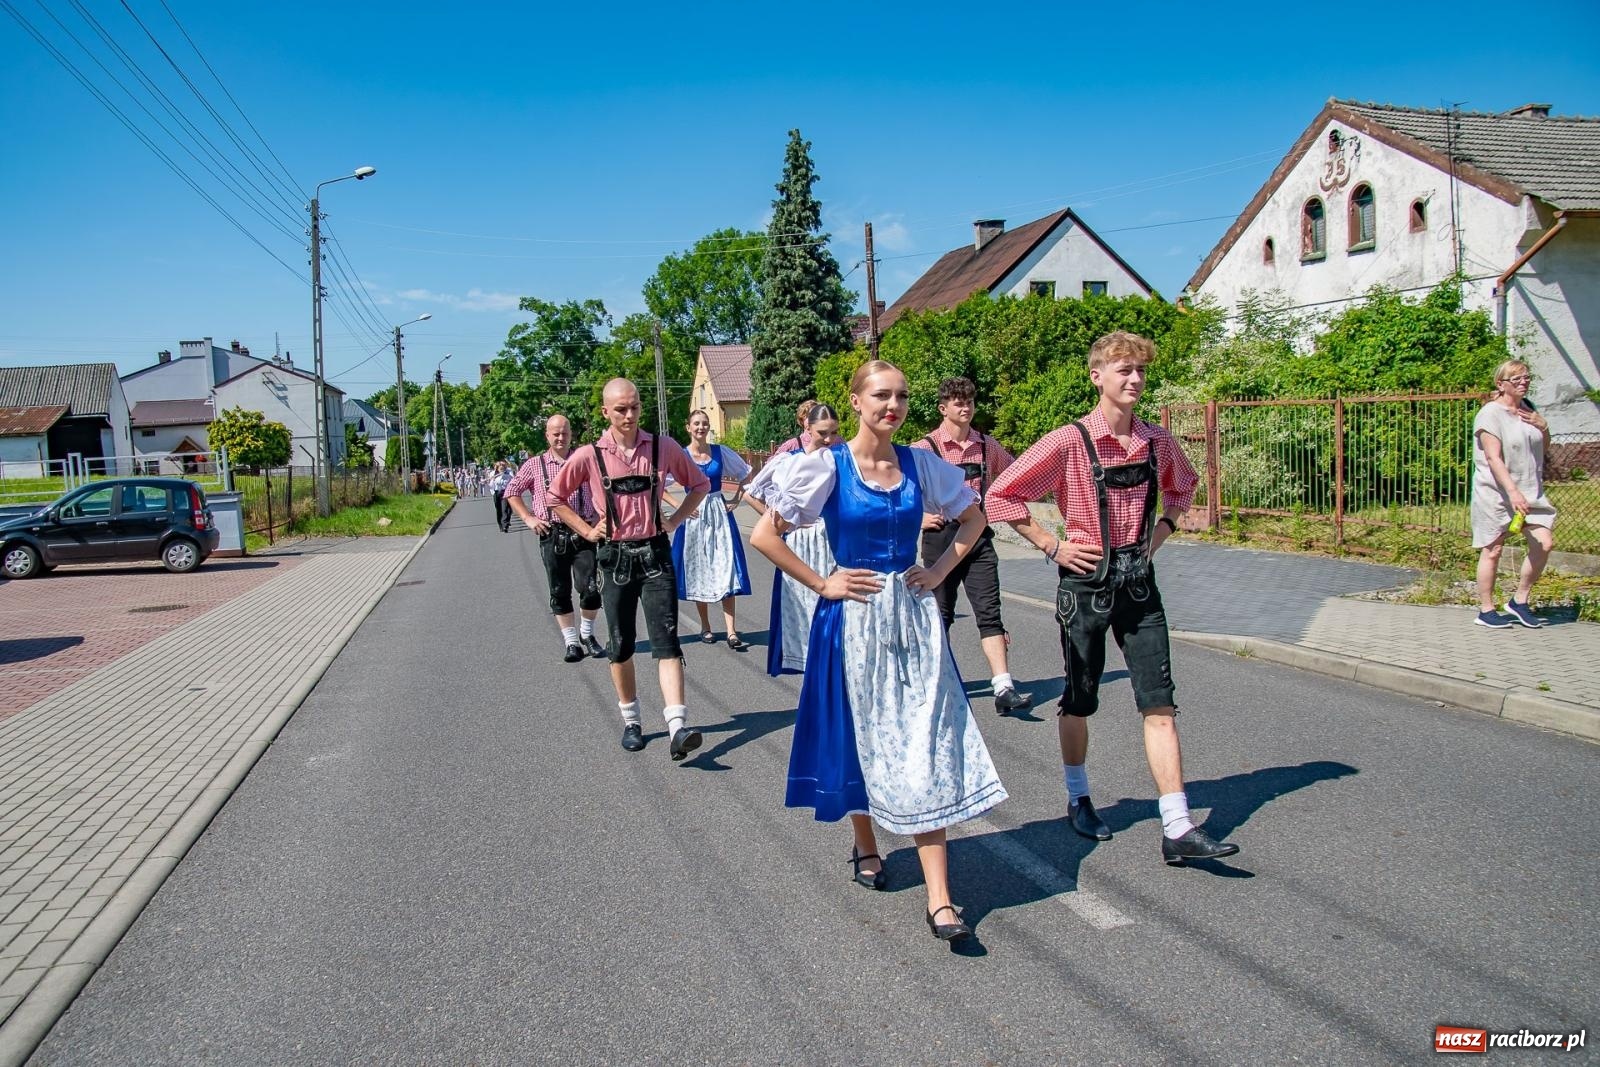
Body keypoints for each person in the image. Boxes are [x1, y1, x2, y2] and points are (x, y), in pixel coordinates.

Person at [750, 360, 1006, 942]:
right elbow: (765, 535)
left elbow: (974, 518)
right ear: (856, 402)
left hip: (913, 619)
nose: (893, 406)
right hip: (853, 617)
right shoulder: (826, 465)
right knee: (861, 731)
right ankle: (865, 842)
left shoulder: (921, 464)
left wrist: (937, 571)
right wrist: (823, 583)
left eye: (902, 396)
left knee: (922, 738)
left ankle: (940, 899)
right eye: (882, 395)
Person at [986, 331, 1239, 866]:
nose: (1135, 379)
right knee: (1080, 699)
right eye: (1125, 370)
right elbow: (1000, 494)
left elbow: (1184, 487)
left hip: (1139, 584)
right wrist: (1052, 545)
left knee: (1159, 701)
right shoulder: (1068, 442)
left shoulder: (1157, 441)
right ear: (1097, 376)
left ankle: (1177, 825)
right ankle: (1078, 796)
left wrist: (1161, 532)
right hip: (1085, 585)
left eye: (1141, 370)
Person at [549, 380, 712, 760]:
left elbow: (699, 484)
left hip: (655, 553)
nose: (629, 415)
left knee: (667, 642)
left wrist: (675, 521)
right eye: (620, 409)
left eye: (634, 407)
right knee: (620, 645)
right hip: (615, 557)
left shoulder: (662, 447)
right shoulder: (589, 455)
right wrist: (587, 530)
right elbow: (555, 497)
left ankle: (677, 727)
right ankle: (632, 720)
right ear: (605, 411)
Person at [911, 377, 1033, 714]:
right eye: (958, 402)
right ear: (943, 408)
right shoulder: (925, 449)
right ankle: (937, 683)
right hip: (941, 538)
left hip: (978, 537)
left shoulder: (986, 446)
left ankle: (1004, 688)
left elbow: (1014, 475)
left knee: (989, 612)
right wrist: (920, 517)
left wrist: (997, 504)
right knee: (941, 612)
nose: (965, 408)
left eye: (969, 402)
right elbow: (901, 491)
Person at [746, 403, 841, 676]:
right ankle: (807, 668)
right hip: (798, 541)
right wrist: (780, 521)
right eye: (823, 433)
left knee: (830, 610)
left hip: (828, 540)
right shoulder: (789, 457)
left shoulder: (838, 458)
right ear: (807, 427)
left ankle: (827, 670)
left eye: (834, 432)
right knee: (800, 610)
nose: (829, 439)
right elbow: (752, 493)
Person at [503, 415, 605, 663]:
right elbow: (512, 491)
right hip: (552, 534)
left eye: (565, 433)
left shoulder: (584, 459)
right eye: (556, 434)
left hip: (584, 531)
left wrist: (600, 516)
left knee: (591, 588)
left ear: (571, 434)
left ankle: (587, 634)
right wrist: (528, 518)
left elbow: (603, 487)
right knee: (559, 590)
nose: (561, 438)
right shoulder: (534, 464)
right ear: (547, 435)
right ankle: (571, 641)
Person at [1472, 360, 1556, 629]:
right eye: (1516, 379)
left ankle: (1519, 601)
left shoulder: (1528, 409)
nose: (1523, 382)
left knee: (1544, 543)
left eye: (1526, 377)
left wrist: (1543, 426)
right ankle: (1486, 610)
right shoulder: (1490, 414)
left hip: (1530, 491)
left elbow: (1543, 447)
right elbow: (1493, 458)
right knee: (1493, 549)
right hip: (1497, 492)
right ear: (1501, 384)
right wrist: (1512, 492)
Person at [667, 410, 754, 649]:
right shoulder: (681, 455)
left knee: (726, 567)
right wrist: (680, 506)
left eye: (704, 423)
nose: (701, 427)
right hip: (694, 517)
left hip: (718, 514)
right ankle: (705, 626)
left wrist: (736, 499)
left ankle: (731, 631)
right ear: (688, 427)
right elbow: (660, 483)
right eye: (696, 423)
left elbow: (747, 475)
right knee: (699, 569)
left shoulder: (720, 452)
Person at [490, 461, 514, 532]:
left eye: (503, 469)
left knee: (505, 509)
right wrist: (492, 480)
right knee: (499, 510)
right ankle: (500, 524)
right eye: (500, 469)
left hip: (505, 493)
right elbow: (491, 486)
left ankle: (505, 525)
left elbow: (512, 482)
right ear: (497, 469)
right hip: (496, 493)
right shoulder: (493, 475)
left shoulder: (508, 476)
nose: (502, 470)